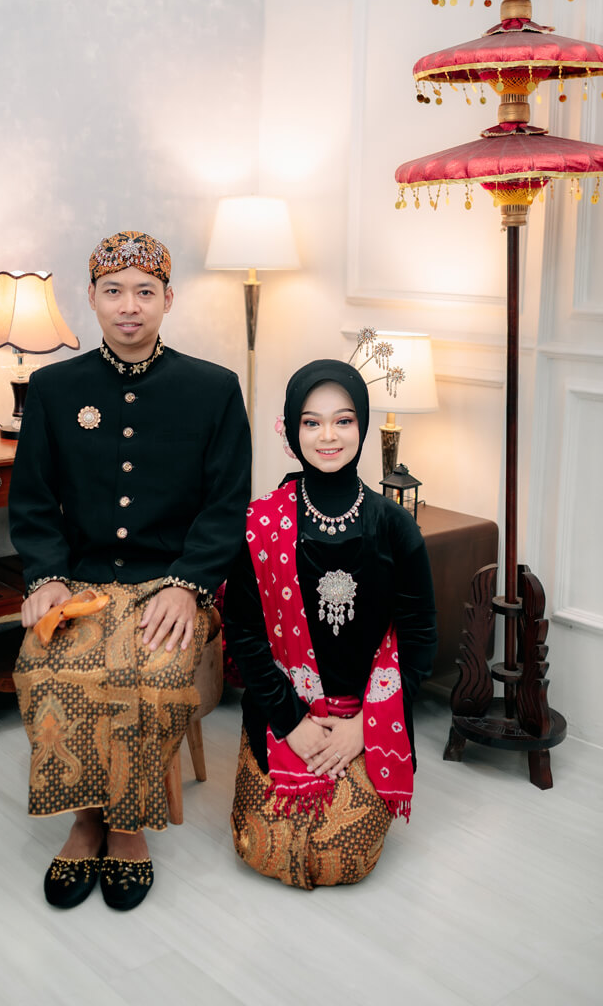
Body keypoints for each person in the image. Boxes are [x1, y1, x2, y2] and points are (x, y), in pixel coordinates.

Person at [9, 230, 251, 912]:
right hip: (81, 581)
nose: (129, 306)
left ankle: (128, 828)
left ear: (169, 299)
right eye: (113, 291)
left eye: (145, 292)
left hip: (170, 581)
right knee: (45, 662)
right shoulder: (54, 388)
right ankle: (85, 821)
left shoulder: (213, 389)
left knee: (154, 673)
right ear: (91, 297)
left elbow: (226, 504)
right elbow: (32, 499)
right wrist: (46, 575)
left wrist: (188, 584)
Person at [224, 359, 437, 890]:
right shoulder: (261, 523)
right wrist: (292, 722)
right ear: (292, 431)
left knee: (342, 854)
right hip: (283, 709)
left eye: (343, 420)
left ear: (362, 425)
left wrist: (362, 728)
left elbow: (419, 637)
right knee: (260, 845)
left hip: (367, 716)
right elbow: (244, 634)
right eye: (311, 422)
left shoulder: (395, 526)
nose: (328, 436)